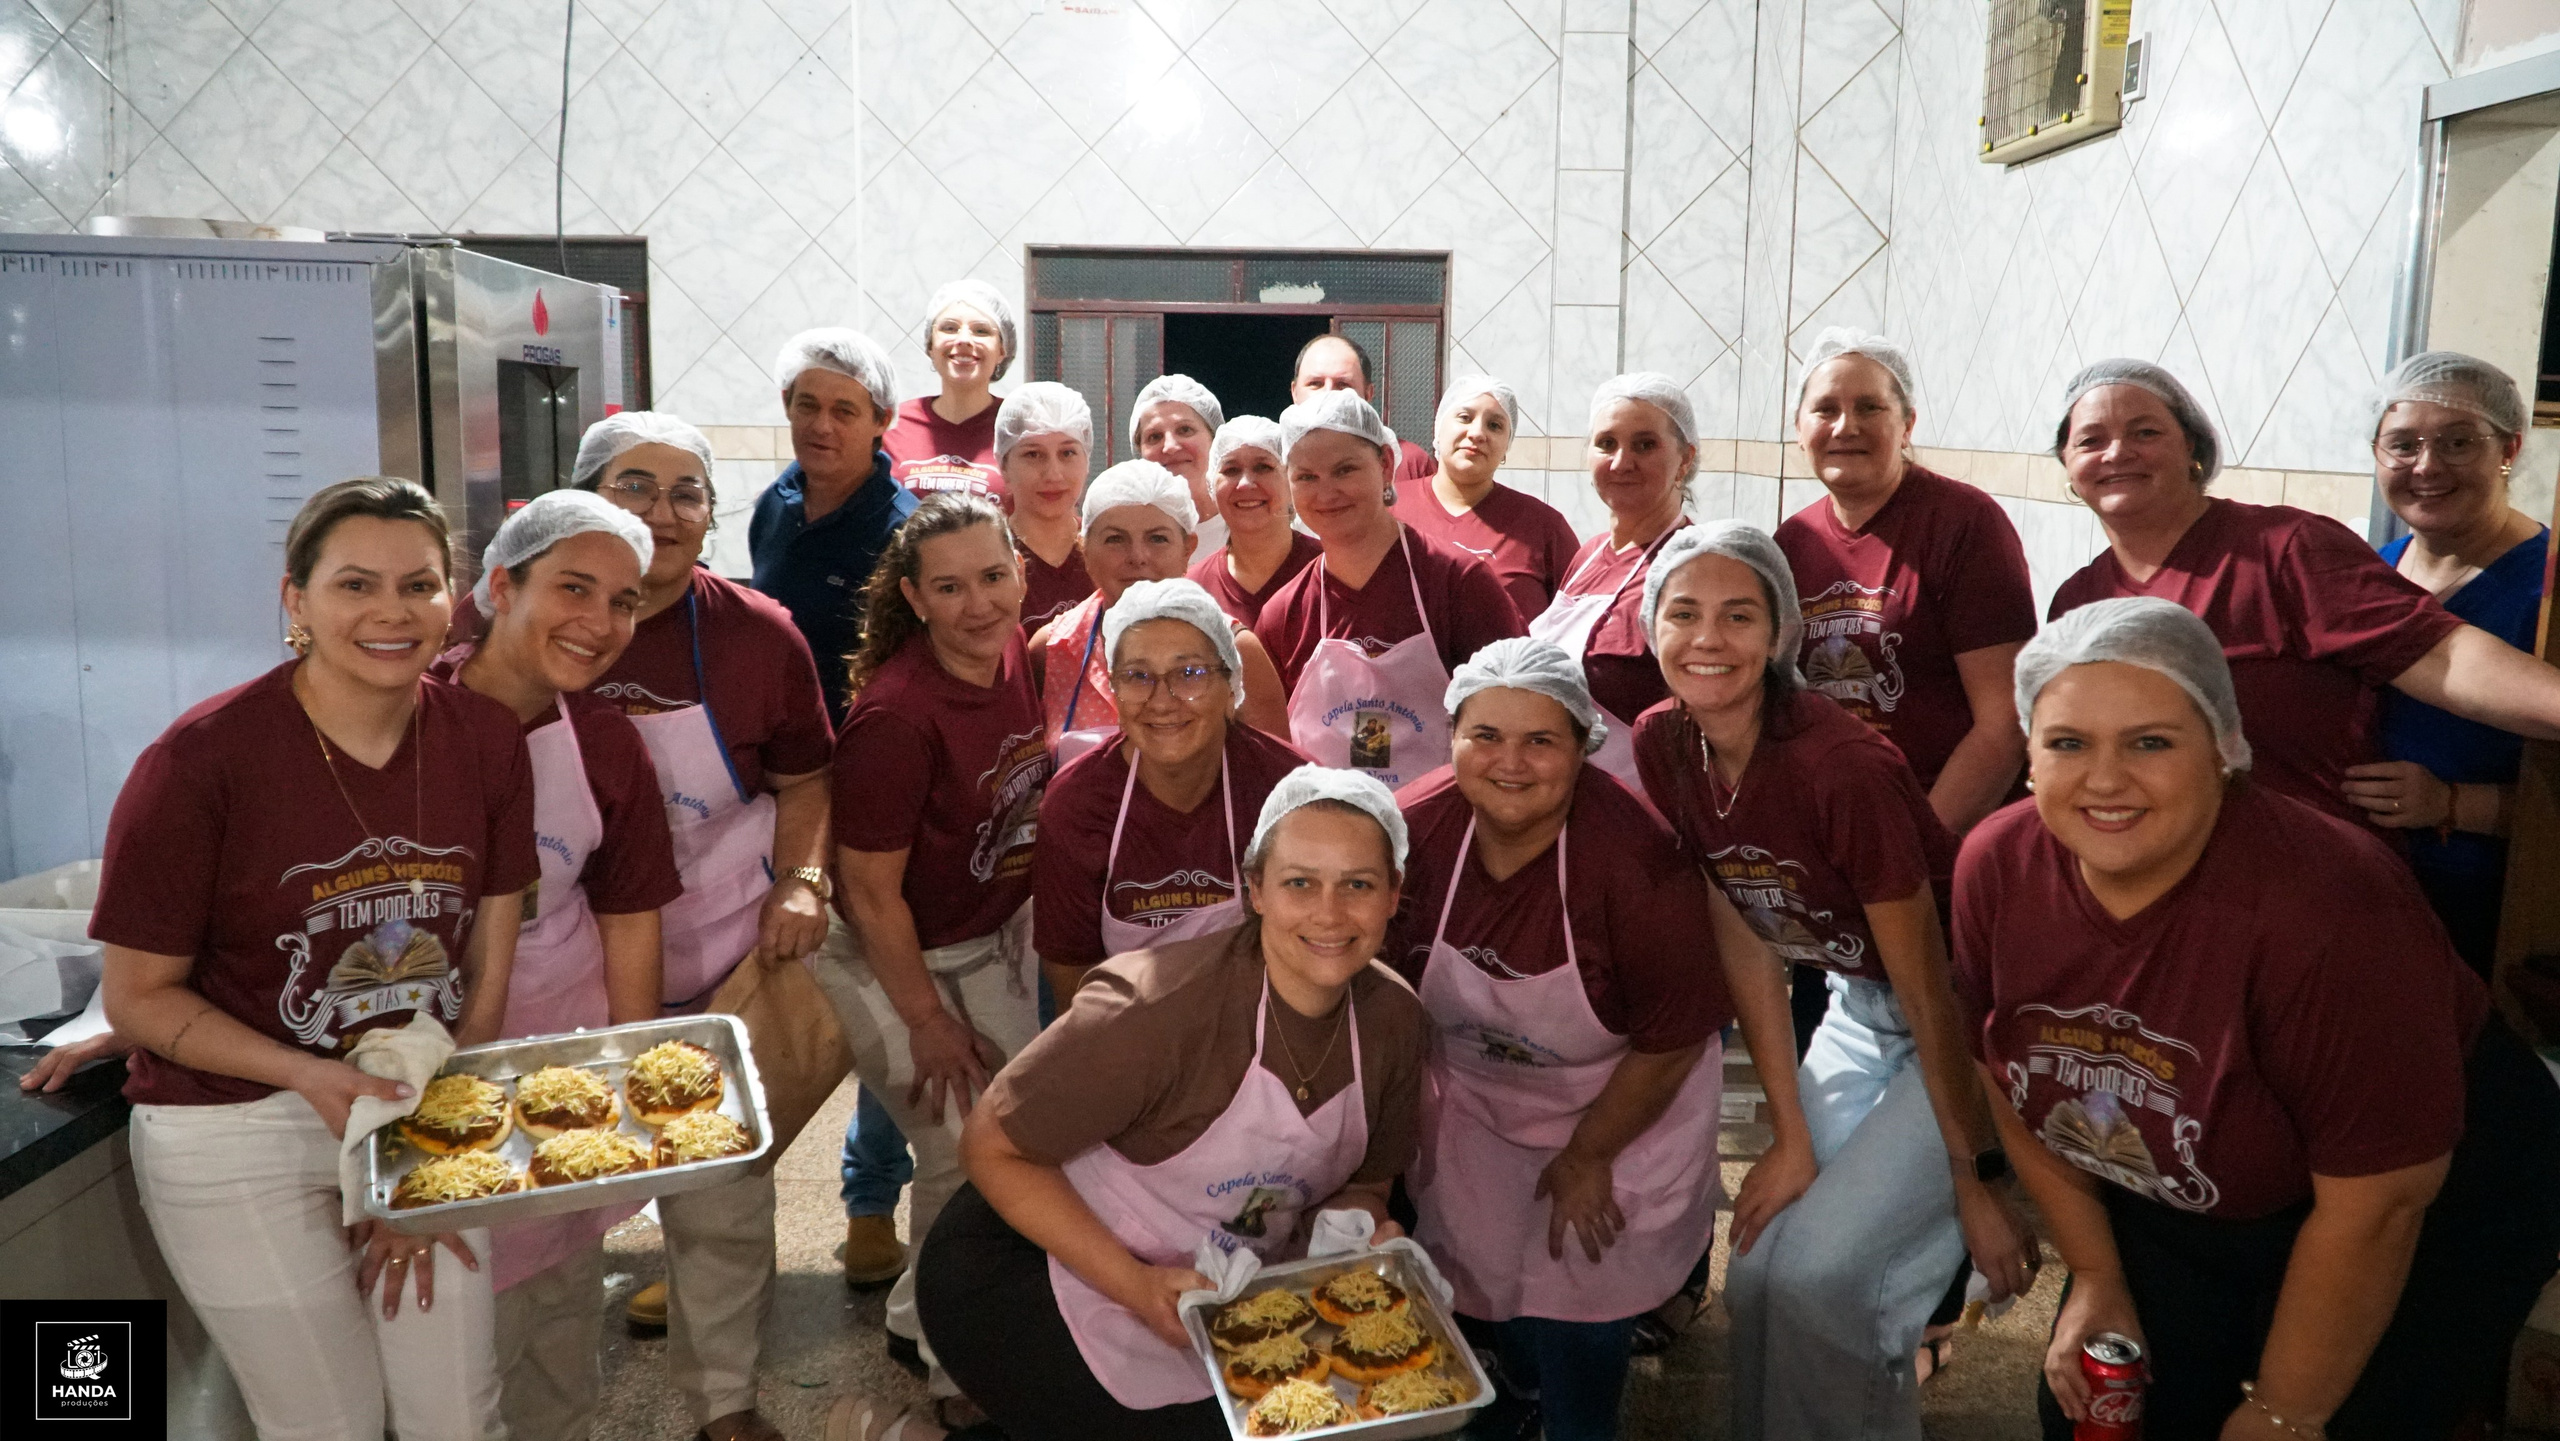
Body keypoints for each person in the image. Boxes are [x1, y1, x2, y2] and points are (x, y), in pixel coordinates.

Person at [1952, 597, 2560, 1439]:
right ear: (2028, 755)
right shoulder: (1997, 866)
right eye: (2068, 742)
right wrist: (2094, 1272)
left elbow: (2378, 1206)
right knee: (2097, 1413)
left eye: (2151, 742)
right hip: (2197, 1179)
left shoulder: (2326, 906)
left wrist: (2286, 1410)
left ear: (2226, 749)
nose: (2105, 779)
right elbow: (2008, 1071)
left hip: (2425, 1197)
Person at [93, 477, 534, 1441]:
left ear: (452, 599)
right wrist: (312, 1077)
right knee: (327, 1423)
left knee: (458, 1416)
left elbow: (485, 973)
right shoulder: (201, 760)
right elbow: (137, 996)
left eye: (419, 584)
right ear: (295, 599)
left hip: (417, 1103)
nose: (392, 612)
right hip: (234, 1121)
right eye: (355, 584)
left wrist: (412, 1158)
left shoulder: (487, 739)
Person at [868, 766, 1431, 1441]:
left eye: (1358, 884)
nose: (1330, 913)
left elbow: (1367, 1180)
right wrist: (1135, 1286)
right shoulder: (1155, 1009)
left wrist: (1356, 1232)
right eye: (1300, 882)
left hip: (1215, 1280)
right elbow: (989, 1146)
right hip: (1030, 1264)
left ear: (1394, 894)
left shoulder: (1395, 1021)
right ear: (1254, 889)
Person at [1631, 522, 2035, 1440]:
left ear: (1782, 631)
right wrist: (1789, 1134)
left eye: (1740, 615)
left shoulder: (1837, 765)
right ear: (1651, 627)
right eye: (1683, 613)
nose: (1708, 638)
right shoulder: (1667, 741)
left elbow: (1930, 984)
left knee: (1827, 1281)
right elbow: (1741, 925)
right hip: (1860, 999)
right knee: (1760, 1264)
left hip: (1968, 1017)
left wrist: (1976, 1179)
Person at [1391, 638, 1798, 1441]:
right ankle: (1517, 1397)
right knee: (1484, 1276)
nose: (1511, 762)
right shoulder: (1410, 832)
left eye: (1541, 740)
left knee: (1583, 1294)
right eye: (1485, 735)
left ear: (1584, 746)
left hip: (1627, 1099)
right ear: (1451, 737)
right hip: (1475, 1100)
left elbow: (1671, 1037)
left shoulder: (1637, 859)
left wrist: (1587, 1154)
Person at [572, 413, 840, 1440]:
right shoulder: (529, 621)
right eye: (636, 486)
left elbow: (806, 778)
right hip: (569, 961)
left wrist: (802, 882)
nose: (664, 511)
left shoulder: (758, 634)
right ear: (587, 498)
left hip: (719, 951)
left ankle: (722, 1400)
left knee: (723, 1193)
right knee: (554, 1204)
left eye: (688, 492)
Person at [2047, 358, 2560, 831]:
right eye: (2090, 440)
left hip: (2304, 869)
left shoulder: (2285, 550)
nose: (2117, 453)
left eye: (2146, 432)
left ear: (2193, 450)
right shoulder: (2078, 602)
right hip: (2150, 867)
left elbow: (2440, 655)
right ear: (2067, 463)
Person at [439, 492, 683, 1441]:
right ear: (502, 585)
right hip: (430, 1075)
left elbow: (630, 917)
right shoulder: (410, 716)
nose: (601, 622)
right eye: (573, 588)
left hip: (556, 1069)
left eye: (623, 601)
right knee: (462, 1352)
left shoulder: (605, 743)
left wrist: (634, 1083)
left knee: (557, 1334)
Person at [807, 493, 1053, 1406]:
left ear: (1021, 572)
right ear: (913, 597)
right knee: (963, 1150)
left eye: (993, 576)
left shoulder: (1015, 654)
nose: (978, 603)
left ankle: (919, 1316)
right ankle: (959, 1372)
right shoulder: (897, 719)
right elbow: (871, 893)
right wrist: (925, 1021)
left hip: (983, 936)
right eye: (949, 588)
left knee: (1013, 1142)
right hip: (889, 954)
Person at [1778, 328, 2036, 835]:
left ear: (1907, 425)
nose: (1846, 426)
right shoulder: (1791, 543)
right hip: (1837, 831)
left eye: (1870, 407)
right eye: (1825, 409)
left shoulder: (1964, 524)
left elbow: (2004, 724)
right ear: (1800, 429)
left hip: (1943, 831)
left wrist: (1917, 849)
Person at [2356, 352, 2548, 977]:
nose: (2427, 466)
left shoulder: (2547, 591)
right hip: (2362, 903)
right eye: (2402, 444)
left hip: (2494, 925)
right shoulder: (2367, 574)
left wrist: (2453, 804)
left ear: (2509, 448)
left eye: (2458, 442)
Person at [1033, 578, 1308, 1003]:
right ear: (1115, 692)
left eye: (1190, 673)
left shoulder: (1289, 790)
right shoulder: (1075, 806)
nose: (1162, 701)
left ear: (1231, 688)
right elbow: (1071, 972)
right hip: (1128, 1026)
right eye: (1137, 676)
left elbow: (1315, 943)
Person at [1257, 390, 1526, 789]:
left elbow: (1517, 716)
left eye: (1345, 470)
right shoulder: (1284, 615)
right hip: (1325, 822)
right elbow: (1269, 757)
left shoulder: (1458, 583)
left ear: (1385, 464)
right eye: (1306, 477)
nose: (1326, 493)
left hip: (1441, 821)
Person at [1029, 460, 1289, 763]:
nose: (1138, 557)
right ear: (1084, 549)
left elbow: (1275, 776)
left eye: (1158, 538)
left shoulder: (1236, 651)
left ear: (1188, 549)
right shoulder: (1051, 650)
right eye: (1115, 539)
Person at [1533, 373, 1700, 792]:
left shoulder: (1693, 565)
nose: (1621, 462)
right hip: (1564, 797)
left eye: (1645, 445)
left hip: (1643, 801)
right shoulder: (1588, 554)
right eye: (1606, 443)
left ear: (1685, 459)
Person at [751, 327, 922, 722]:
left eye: (844, 411)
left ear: (882, 420)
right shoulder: (775, 502)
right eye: (808, 406)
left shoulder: (904, 533)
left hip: (855, 742)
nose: (821, 426)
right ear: (787, 404)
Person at [1392, 375, 1579, 618]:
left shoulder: (1544, 527)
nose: (1477, 433)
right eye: (1465, 418)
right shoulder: (1387, 509)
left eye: (1494, 425)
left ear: (1506, 446)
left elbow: (1578, 621)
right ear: (1438, 429)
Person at [883, 279, 1016, 501]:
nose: (963, 340)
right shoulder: (892, 426)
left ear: (1002, 350)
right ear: (930, 345)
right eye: (949, 328)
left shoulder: (1017, 429)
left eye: (981, 331)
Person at [1187, 415, 1320, 627]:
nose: (1245, 484)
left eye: (1263, 467)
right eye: (1231, 470)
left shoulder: (1329, 569)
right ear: (1212, 484)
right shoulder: (1195, 588)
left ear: (1291, 479)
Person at [997, 381, 1097, 636]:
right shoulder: (989, 556)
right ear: (1004, 467)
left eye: (1067, 453)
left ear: (1087, 461)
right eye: (1033, 454)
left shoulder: (1108, 548)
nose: (1053, 474)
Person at [1291, 332, 1434, 482]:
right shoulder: (1276, 461)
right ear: (1294, 392)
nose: (1328, 393)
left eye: (1342, 384)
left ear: (1368, 394)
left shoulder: (1409, 462)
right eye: (1315, 384)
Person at [1128, 373, 1228, 554]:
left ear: (1214, 440)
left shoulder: (1248, 525)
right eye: (1154, 437)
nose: (1170, 447)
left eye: (1185, 430)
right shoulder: (1128, 535)